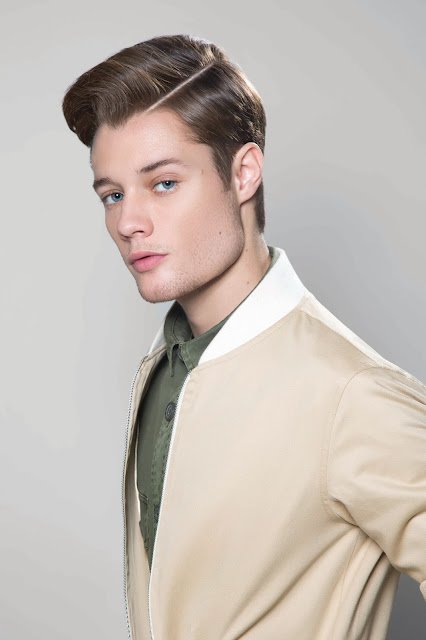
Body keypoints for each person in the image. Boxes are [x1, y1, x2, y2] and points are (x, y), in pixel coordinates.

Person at [62, 34, 426, 640]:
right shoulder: (164, 367)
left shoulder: (349, 393)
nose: (128, 222)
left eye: (164, 183)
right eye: (113, 195)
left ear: (244, 172)